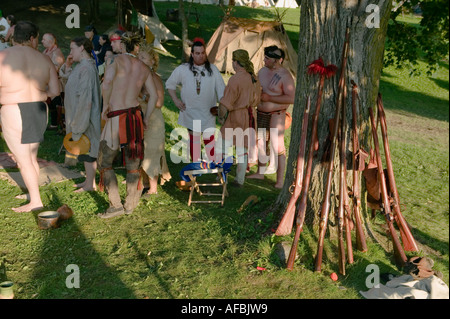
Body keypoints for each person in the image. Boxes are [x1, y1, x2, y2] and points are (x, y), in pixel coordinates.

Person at [0, 21, 60, 212]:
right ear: (33, 37)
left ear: (14, 37)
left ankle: (35, 201)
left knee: (23, 159)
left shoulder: (3, 56)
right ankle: (33, 193)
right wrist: (41, 95)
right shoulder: (44, 59)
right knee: (31, 157)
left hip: (13, 109)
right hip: (39, 109)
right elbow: (56, 91)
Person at [97, 32, 158, 218]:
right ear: (136, 47)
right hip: (134, 116)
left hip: (116, 116)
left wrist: (105, 105)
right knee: (133, 163)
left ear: (123, 46)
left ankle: (116, 205)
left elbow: (106, 83)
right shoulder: (144, 67)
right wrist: (146, 118)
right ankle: (130, 204)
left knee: (104, 160)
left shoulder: (115, 61)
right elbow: (153, 96)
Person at [166, 37, 225, 162]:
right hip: (191, 112)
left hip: (208, 113)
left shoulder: (213, 70)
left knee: (209, 140)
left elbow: (221, 90)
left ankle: (214, 167)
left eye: (203, 53)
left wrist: (222, 108)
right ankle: (196, 169)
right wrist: (176, 101)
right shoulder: (183, 69)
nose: (200, 56)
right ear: (192, 54)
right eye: (197, 53)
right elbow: (170, 85)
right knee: (195, 141)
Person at [247, 45, 295, 189]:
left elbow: (291, 98)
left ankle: (280, 181)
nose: (264, 60)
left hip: (277, 115)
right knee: (261, 143)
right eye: (265, 57)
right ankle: (260, 172)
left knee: (277, 146)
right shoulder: (262, 71)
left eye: (267, 58)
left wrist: (269, 98)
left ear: (277, 60)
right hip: (261, 113)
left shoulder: (285, 76)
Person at [215, 49, 261, 188]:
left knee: (222, 146)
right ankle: (240, 179)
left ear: (235, 62)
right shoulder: (254, 78)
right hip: (250, 115)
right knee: (242, 148)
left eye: (233, 61)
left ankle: (221, 176)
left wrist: (221, 116)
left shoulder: (236, 79)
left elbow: (226, 102)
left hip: (236, 116)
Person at [63, 37, 101, 193]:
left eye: (72, 49)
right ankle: (88, 181)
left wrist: (78, 126)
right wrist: (67, 65)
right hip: (80, 117)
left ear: (82, 49)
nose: (70, 52)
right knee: (86, 150)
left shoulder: (86, 68)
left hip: (85, 119)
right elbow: (68, 81)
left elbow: (85, 100)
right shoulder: (81, 67)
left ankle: (90, 184)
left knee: (88, 149)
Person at [138, 42, 172, 195]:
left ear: (152, 61)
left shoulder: (155, 78)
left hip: (154, 120)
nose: (140, 60)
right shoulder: (140, 76)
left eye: (144, 57)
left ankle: (153, 188)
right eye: (139, 56)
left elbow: (159, 102)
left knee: (152, 151)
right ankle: (144, 182)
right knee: (141, 151)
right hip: (141, 117)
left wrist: (144, 96)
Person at [41, 33, 65, 129]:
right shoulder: (46, 51)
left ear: (50, 41)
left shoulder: (56, 52)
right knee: (51, 104)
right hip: (47, 82)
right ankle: (54, 123)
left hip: (56, 83)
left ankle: (59, 124)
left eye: (44, 39)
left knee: (57, 104)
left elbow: (56, 68)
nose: (42, 41)